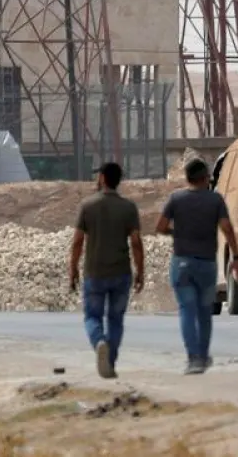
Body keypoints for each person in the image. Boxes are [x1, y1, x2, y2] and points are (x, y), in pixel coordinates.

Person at [155, 157, 238, 375]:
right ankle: (202, 357)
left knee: (186, 310)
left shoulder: (176, 199)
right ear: (206, 178)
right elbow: (227, 228)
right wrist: (237, 258)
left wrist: (177, 233)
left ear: (187, 178)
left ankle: (192, 357)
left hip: (182, 263)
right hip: (206, 265)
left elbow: (161, 226)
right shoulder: (215, 200)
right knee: (204, 313)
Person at [68, 161, 144, 380]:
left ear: (101, 178)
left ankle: (99, 342)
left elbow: (77, 242)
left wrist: (73, 269)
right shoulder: (128, 207)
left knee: (92, 316)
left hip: (94, 273)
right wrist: (140, 271)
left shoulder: (87, 206)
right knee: (116, 320)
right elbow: (136, 242)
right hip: (121, 273)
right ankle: (109, 362)